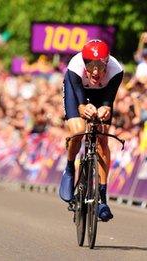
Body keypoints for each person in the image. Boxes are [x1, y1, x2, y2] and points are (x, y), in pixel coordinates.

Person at [59, 39, 124, 222]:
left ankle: (102, 197)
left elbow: (108, 101)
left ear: (107, 62)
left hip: (101, 94)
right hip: (77, 93)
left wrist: (105, 108)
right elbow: (80, 106)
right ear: (84, 62)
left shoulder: (116, 70)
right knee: (79, 131)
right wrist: (84, 108)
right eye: (91, 65)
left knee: (102, 136)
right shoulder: (75, 66)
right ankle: (70, 167)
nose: (95, 71)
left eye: (100, 65)